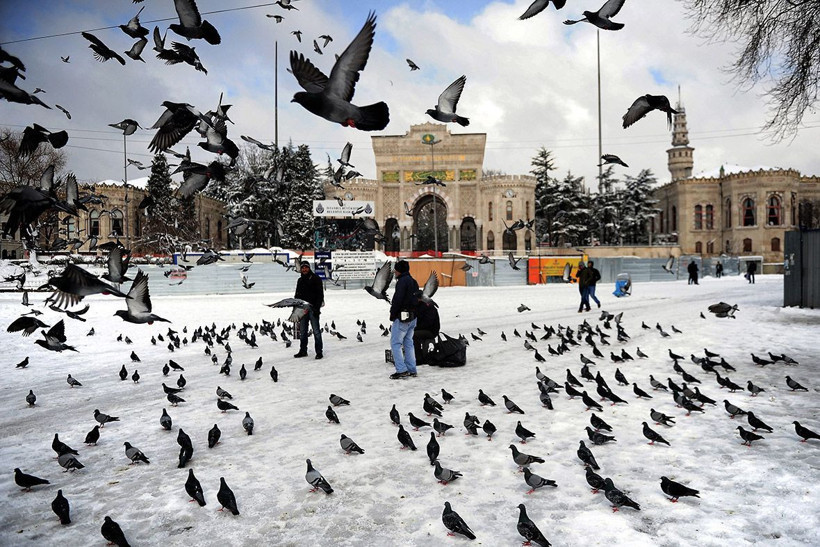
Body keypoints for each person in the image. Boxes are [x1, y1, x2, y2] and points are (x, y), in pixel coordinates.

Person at [389, 260, 419, 379]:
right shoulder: (413, 281)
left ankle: (401, 370)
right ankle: (412, 369)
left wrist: (392, 313)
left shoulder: (402, 282)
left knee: (395, 343)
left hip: (402, 317)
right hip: (413, 317)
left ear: (399, 270)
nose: (394, 272)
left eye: (396, 270)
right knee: (408, 343)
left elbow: (398, 299)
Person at [293, 261, 324, 359]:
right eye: (303, 268)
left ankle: (319, 352)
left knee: (316, 331)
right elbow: (297, 295)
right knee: (303, 331)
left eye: (306, 267)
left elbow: (320, 295)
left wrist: (316, 308)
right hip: (302, 309)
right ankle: (303, 350)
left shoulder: (316, 279)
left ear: (309, 268)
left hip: (313, 309)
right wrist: (296, 309)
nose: (304, 269)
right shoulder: (300, 280)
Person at [413, 298, 440, 365]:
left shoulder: (430, 308)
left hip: (431, 331)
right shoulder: (420, 307)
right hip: (425, 329)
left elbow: (428, 323)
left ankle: (419, 359)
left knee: (414, 335)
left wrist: (415, 328)